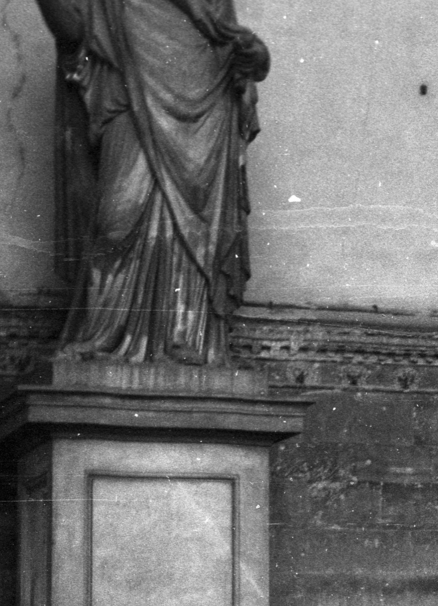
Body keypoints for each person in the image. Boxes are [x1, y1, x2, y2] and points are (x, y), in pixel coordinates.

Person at [34, 0, 270, 365]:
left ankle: (185, 337)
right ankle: (103, 334)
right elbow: (74, 32)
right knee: (117, 218)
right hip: (131, 90)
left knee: (194, 226)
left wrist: (253, 57)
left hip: (204, 97)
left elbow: (234, 42)